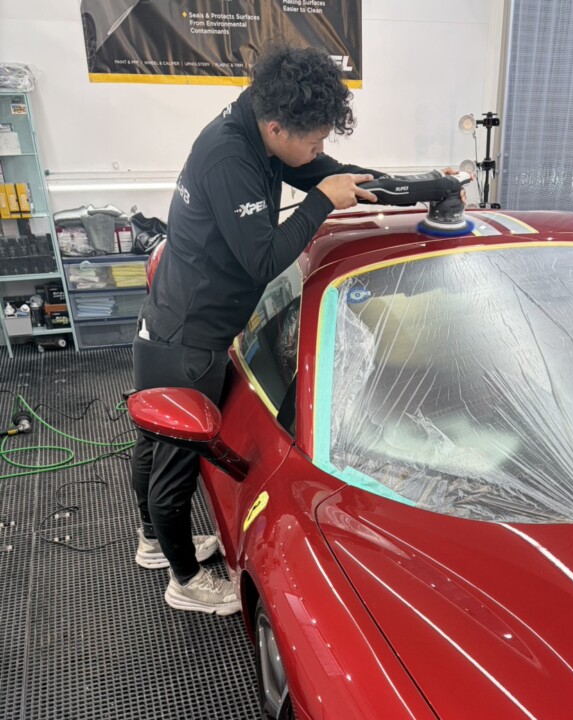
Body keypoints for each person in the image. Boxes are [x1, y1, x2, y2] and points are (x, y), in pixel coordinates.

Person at [131, 45, 386, 615]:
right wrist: (321, 203)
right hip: (188, 339)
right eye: (315, 142)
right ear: (277, 128)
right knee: (176, 461)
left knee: (154, 445)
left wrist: (393, 184)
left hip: (174, 318)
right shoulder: (230, 157)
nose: (319, 151)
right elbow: (262, 259)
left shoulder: (257, 119)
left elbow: (311, 167)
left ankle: (152, 542)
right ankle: (185, 581)